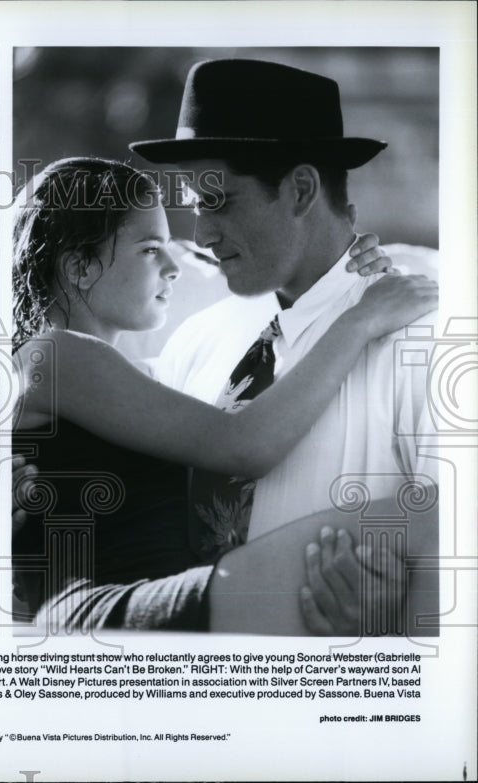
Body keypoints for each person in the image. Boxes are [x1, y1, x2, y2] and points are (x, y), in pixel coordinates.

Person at [11, 157, 436, 634]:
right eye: (151, 249)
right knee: (434, 525)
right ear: (80, 267)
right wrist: (360, 320)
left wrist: (351, 273)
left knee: (432, 527)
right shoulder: (53, 356)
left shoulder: (134, 375)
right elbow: (244, 445)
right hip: (108, 608)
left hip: (159, 600)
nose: (175, 266)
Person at [133, 58, 439, 634]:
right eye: (196, 205)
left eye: (217, 201)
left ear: (300, 190)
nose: (200, 234)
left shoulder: (425, 343)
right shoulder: (195, 341)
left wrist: (393, 627)